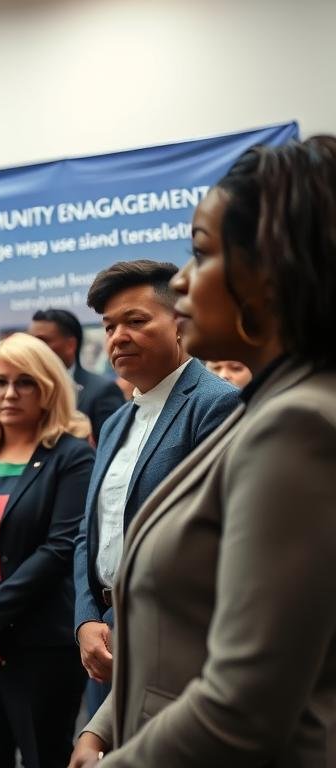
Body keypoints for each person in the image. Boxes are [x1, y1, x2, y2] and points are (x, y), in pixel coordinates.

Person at [69, 136, 336, 767]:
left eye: (203, 253)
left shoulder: (298, 425)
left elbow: (243, 700)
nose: (182, 282)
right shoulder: (268, 408)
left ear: (270, 273)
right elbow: (187, 624)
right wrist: (101, 728)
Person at [72, 260, 241, 717]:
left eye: (136, 321)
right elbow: (91, 533)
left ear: (180, 323)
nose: (117, 337)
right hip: (104, 638)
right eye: (108, 327)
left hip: (175, 637)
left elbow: (212, 540)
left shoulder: (216, 405)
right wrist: (87, 619)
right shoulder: (113, 424)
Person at [0, 333, 92, 768]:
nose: (9, 393)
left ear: (48, 388)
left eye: (25, 382)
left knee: (43, 756)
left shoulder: (70, 456)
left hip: (38, 645)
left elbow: (59, 549)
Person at [29, 309, 124, 443]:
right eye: (30, 341)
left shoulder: (102, 391)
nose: (32, 348)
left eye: (42, 341)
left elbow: (114, 449)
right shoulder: (22, 391)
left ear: (70, 345)